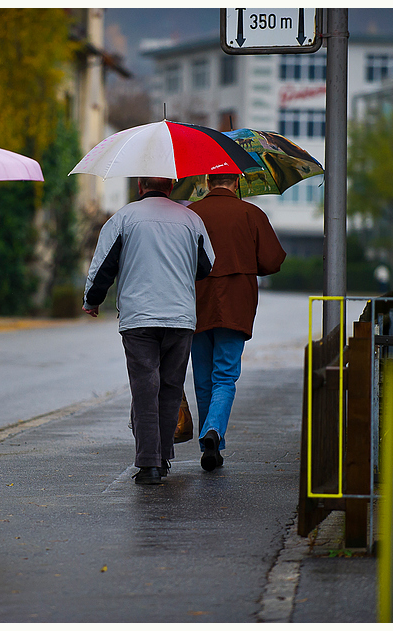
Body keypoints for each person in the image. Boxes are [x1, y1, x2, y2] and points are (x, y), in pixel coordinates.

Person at [83, 177, 215, 485]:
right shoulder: (192, 219)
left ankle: (148, 464)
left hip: (139, 317)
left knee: (145, 388)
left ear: (141, 186)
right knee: (170, 388)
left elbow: (103, 265)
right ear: (170, 186)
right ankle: (163, 457)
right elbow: (207, 266)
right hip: (180, 318)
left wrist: (93, 299)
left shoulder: (124, 218)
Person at [188, 173, 286, 471]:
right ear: (237, 182)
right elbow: (272, 261)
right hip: (235, 305)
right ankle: (212, 432)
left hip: (196, 303)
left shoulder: (191, 215)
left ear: (207, 180)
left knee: (203, 378)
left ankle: (210, 440)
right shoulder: (251, 213)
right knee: (225, 377)